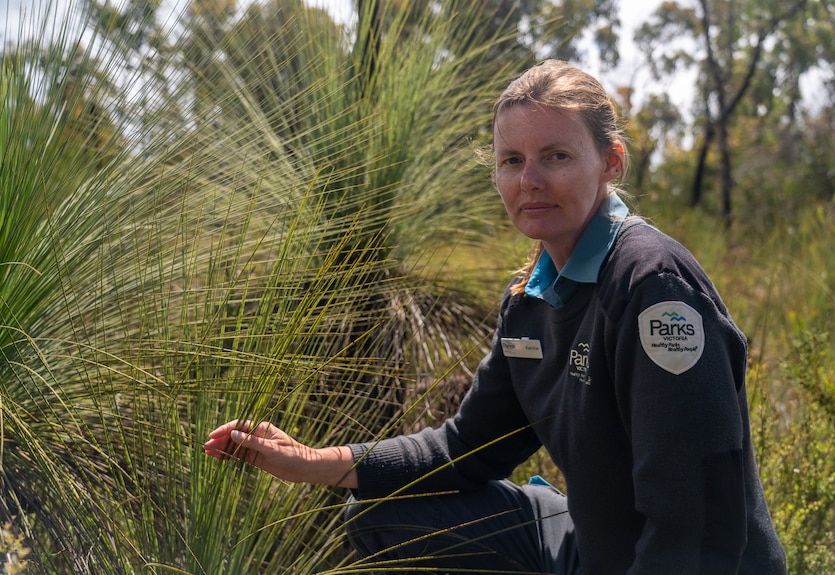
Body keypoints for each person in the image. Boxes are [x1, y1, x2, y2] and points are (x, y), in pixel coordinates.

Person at [203, 59, 787, 574]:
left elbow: (694, 520)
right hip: (590, 544)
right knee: (377, 511)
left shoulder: (652, 288)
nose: (529, 180)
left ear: (610, 163)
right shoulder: (529, 302)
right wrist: (310, 462)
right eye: (512, 160)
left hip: (687, 559)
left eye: (556, 156)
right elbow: (467, 449)